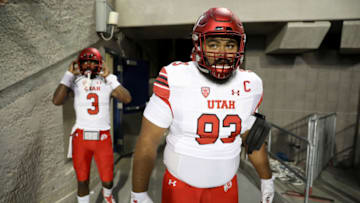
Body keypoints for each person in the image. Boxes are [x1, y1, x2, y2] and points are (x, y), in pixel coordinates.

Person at [130, 7, 275, 203]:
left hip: (225, 188)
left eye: (230, 45)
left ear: (239, 47)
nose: (222, 53)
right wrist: (138, 192)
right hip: (181, 187)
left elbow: (253, 138)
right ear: (199, 44)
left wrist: (267, 178)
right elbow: (148, 141)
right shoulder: (175, 78)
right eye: (213, 44)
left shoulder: (250, 84)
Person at [52, 47, 132, 203]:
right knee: (82, 179)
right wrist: (68, 75)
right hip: (81, 137)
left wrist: (110, 77)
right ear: (79, 64)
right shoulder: (75, 82)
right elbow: (57, 101)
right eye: (85, 62)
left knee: (107, 178)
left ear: (99, 63)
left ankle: (108, 196)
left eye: (92, 61)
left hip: (102, 137)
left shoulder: (108, 81)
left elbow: (127, 99)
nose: (88, 65)